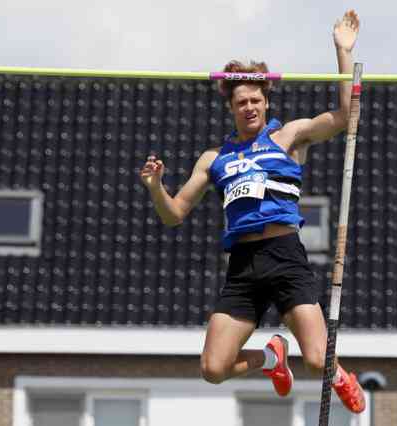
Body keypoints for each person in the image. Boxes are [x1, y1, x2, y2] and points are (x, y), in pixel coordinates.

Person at [139, 10, 365, 414]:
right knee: (213, 367)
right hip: (242, 267)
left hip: (285, 256)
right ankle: (272, 358)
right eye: (241, 102)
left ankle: (341, 375)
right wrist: (157, 187)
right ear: (231, 106)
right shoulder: (214, 158)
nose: (249, 108)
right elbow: (173, 214)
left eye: (256, 100)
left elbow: (347, 118)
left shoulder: (288, 136)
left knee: (317, 360)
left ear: (266, 101)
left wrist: (343, 52)